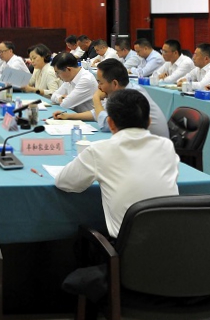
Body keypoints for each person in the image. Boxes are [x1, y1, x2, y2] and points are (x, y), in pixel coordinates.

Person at [55, 89, 180, 238]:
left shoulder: (99, 150)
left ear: (110, 123)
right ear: (149, 121)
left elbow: (64, 182)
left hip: (128, 246)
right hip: (172, 241)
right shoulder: (166, 146)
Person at [52, 59, 169, 138]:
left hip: (154, 148)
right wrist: (69, 116)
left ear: (114, 83)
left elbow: (105, 124)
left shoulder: (131, 96)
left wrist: (96, 98)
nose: (99, 87)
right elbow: (99, 112)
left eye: (100, 82)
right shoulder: (120, 92)